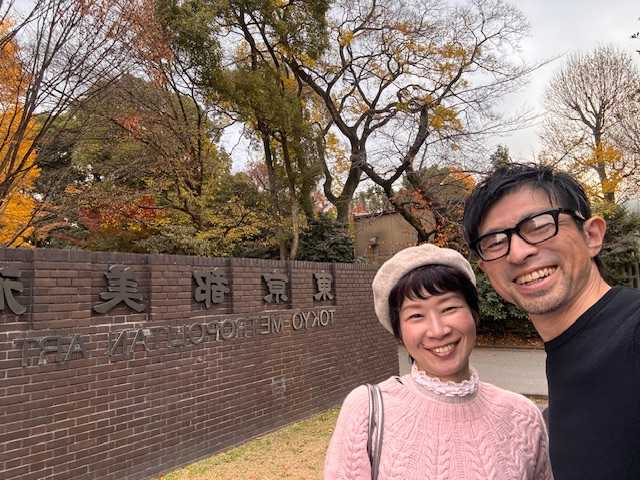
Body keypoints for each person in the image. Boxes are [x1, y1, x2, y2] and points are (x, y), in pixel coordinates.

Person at [462, 163, 640, 479]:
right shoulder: (565, 357)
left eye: (539, 225)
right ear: (485, 269)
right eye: (495, 241)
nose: (517, 253)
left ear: (592, 235)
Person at [324, 243, 552, 479]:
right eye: (416, 315)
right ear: (399, 332)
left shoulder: (522, 416)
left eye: (449, 308)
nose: (438, 330)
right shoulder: (367, 410)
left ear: (474, 313)